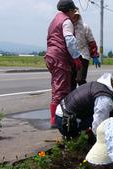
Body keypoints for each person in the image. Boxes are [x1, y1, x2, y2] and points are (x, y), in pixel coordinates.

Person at [55, 72, 113, 138]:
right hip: (66, 123)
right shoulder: (105, 100)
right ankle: (75, 135)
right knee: (108, 120)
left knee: (112, 115)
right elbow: (98, 126)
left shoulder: (103, 84)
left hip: (64, 114)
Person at [45, 0, 82, 128]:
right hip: (59, 57)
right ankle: (55, 120)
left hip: (51, 55)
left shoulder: (55, 19)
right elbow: (70, 40)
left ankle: (58, 117)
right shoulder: (66, 21)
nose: (74, 14)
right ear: (70, 10)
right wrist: (76, 57)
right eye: (74, 11)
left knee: (57, 85)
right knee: (61, 89)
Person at [70, 8, 100, 90]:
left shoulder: (85, 27)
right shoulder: (68, 27)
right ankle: (72, 99)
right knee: (71, 81)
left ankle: (87, 94)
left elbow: (91, 42)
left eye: (76, 16)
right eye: (72, 15)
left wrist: (95, 55)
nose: (74, 17)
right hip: (72, 57)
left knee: (80, 79)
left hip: (83, 55)